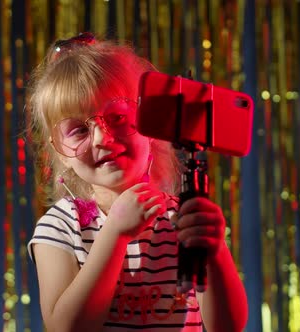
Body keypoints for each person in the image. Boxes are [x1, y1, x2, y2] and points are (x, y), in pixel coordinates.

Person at [25, 32, 248, 331]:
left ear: (149, 125)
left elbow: (227, 327)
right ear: (61, 153)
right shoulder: (61, 226)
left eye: (117, 117)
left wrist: (216, 250)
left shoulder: (182, 220)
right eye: (78, 130)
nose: (103, 138)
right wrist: (114, 234)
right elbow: (66, 328)